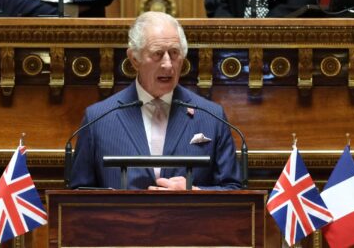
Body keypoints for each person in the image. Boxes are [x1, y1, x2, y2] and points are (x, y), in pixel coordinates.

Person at [69, 11, 241, 190]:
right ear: (134, 59)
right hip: (122, 218)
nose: (168, 64)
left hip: (189, 217)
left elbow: (233, 189)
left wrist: (195, 192)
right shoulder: (99, 118)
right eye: (157, 54)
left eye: (174, 53)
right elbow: (78, 195)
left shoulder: (211, 117)